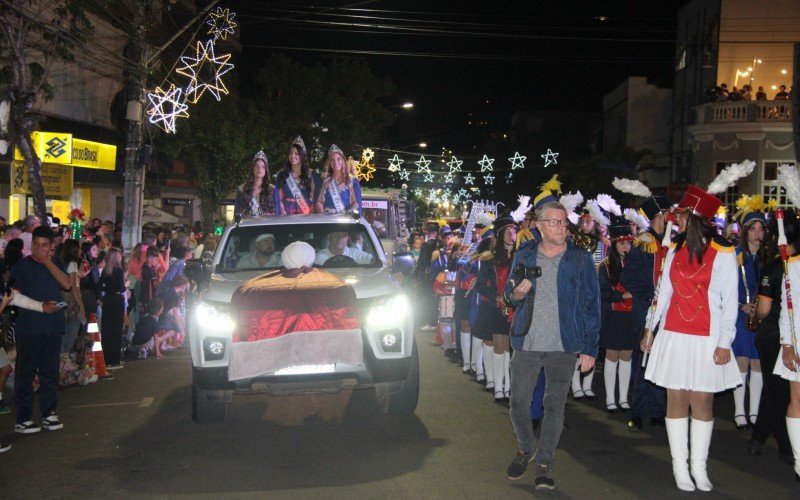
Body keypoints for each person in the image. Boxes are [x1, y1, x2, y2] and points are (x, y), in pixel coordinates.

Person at [644, 185, 740, 492]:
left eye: (682, 215)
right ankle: (679, 467)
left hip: (707, 336)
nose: (676, 219)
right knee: (677, 399)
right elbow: (663, 292)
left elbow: (729, 300)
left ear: (695, 218)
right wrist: (650, 327)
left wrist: (725, 342)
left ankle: (700, 467)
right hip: (674, 334)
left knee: (702, 401)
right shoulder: (673, 249)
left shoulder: (723, 252)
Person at [504, 201, 600, 490]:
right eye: (555, 222)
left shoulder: (580, 258)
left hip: (564, 344)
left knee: (554, 406)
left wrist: (589, 348)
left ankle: (545, 462)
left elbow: (591, 306)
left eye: (564, 222)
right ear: (540, 226)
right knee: (518, 402)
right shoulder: (525, 254)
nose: (562, 227)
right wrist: (517, 293)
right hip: (528, 340)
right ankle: (525, 448)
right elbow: (509, 294)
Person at [11, 225, 72, 434]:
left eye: (45, 245)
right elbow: (13, 296)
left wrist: (47, 261)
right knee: (25, 373)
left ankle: (49, 413)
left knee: (49, 371)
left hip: (53, 327)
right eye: (36, 244)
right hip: (29, 327)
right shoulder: (22, 266)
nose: (39, 248)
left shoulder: (56, 263)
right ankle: (23, 418)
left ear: (52, 246)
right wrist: (40, 306)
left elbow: (67, 284)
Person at [620, 194, 672, 432]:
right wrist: (651, 295)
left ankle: (660, 411)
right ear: (658, 216)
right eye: (668, 212)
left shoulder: (674, 241)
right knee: (643, 362)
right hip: (645, 309)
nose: (672, 217)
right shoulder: (644, 242)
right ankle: (638, 411)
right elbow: (628, 277)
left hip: (669, 311)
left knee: (663, 362)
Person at [747, 210, 795, 464]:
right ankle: (787, 447)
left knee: (775, 390)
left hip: (772, 335)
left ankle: (758, 438)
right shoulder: (780, 266)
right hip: (776, 336)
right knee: (779, 393)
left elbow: (763, 310)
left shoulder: (776, 266)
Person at [474, 216, 517, 403]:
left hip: (517, 308)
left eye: (514, 230)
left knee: (512, 349)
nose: (511, 234)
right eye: (507, 231)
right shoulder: (490, 259)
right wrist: (497, 297)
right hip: (497, 308)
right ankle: (499, 387)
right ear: (500, 236)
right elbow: (480, 285)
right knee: (500, 347)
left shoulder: (521, 256)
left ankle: (509, 386)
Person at [732, 209, 767, 429]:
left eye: (760, 229)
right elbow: (725, 286)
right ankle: (739, 411)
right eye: (752, 229)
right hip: (740, 314)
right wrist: (741, 305)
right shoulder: (734, 254)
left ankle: (754, 412)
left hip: (761, 315)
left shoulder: (767, 257)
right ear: (745, 232)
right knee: (742, 361)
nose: (757, 233)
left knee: (758, 363)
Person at [598, 215, 636, 413]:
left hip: (630, 316)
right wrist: (622, 296)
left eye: (628, 243)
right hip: (613, 316)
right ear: (614, 244)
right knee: (612, 355)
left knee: (627, 355)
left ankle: (623, 398)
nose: (625, 247)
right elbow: (603, 293)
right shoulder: (604, 266)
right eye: (621, 243)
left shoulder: (634, 264)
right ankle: (610, 398)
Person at [274, 136, 320, 215]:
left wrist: (310, 214)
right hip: (286, 215)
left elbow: (315, 197)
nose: (292, 156)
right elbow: (277, 198)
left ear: (302, 155)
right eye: (291, 153)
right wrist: (283, 212)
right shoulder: (282, 175)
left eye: (296, 153)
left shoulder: (311, 174)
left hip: (305, 215)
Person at [99, 248, 126, 369]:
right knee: (116, 330)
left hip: (108, 300)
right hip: (117, 300)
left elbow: (99, 285)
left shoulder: (106, 270)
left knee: (107, 329)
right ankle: (114, 360)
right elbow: (121, 288)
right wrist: (126, 285)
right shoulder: (119, 271)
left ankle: (106, 359)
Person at [315, 144, 360, 214]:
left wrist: (350, 212)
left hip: (343, 222)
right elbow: (319, 202)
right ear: (329, 163)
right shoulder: (326, 181)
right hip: (328, 221)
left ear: (343, 161)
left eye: (338, 159)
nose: (335, 162)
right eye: (332, 160)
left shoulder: (349, 181)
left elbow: (355, 203)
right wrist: (322, 214)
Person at [61, 239, 87, 354]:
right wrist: (81, 305)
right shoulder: (72, 263)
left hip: (64, 304)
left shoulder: (63, 262)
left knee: (64, 335)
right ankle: (65, 361)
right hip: (71, 303)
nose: (81, 250)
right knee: (70, 334)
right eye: (79, 248)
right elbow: (74, 287)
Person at [156, 275, 189, 356]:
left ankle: (164, 344)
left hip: (156, 311)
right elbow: (176, 315)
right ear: (183, 286)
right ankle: (160, 340)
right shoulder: (175, 296)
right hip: (160, 314)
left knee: (171, 321)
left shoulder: (169, 289)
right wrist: (182, 330)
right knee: (175, 328)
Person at [235, 150, 275, 217]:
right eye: (256, 166)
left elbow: (277, 215)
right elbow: (237, 214)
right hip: (248, 226)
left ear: (266, 170)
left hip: (267, 226)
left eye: (263, 167)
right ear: (253, 169)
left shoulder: (272, 190)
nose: (259, 169)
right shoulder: (242, 189)